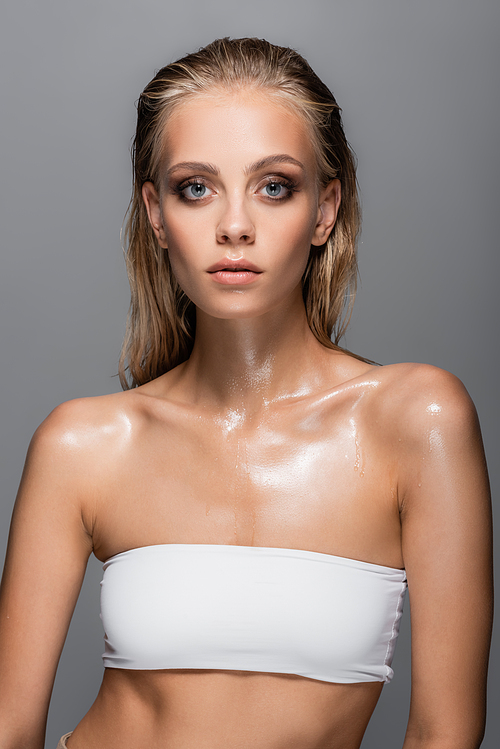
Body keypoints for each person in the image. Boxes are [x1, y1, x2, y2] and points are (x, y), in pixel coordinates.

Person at [0, 37, 492, 749]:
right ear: (156, 214)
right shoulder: (84, 443)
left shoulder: (417, 421)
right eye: (195, 187)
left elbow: (446, 732)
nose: (234, 226)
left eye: (274, 185)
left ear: (325, 210)